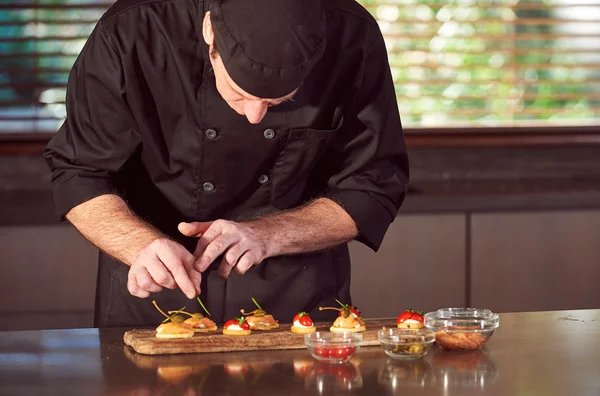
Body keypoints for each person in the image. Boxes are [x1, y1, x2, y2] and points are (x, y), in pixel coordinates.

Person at [44, 0, 409, 327]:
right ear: (209, 32)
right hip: (156, 288)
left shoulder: (353, 35)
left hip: (295, 297)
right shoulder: (131, 30)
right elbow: (79, 173)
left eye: (279, 102)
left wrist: (269, 235)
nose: (254, 116)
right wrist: (138, 245)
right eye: (241, 94)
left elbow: (372, 185)